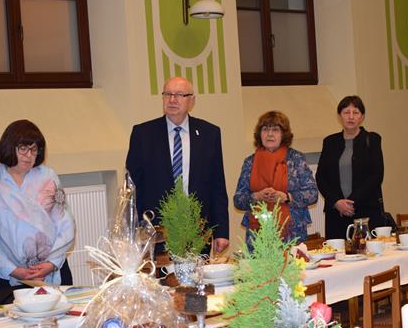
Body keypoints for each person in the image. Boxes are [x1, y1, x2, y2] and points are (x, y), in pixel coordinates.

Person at [126, 76, 229, 253]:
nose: (172, 99)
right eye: (168, 94)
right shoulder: (143, 134)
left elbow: (217, 186)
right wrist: (135, 229)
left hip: (197, 228)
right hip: (156, 229)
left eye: (179, 95)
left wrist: (221, 231)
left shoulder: (209, 133)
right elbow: (132, 186)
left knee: (197, 271)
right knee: (162, 272)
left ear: (191, 101)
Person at [0, 120, 75, 300]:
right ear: (9, 146)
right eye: (23, 148)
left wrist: (50, 264)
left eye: (34, 149)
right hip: (6, 274)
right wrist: (14, 270)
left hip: (50, 269)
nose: (29, 155)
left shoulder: (48, 176)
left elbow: (65, 224)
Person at [233, 111, 318, 246]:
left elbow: (312, 194)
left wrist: (286, 197)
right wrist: (256, 196)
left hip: (292, 231)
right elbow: (238, 200)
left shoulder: (296, 158)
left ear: (283, 134)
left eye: (275, 130)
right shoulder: (250, 162)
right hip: (257, 233)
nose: (270, 134)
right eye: (265, 129)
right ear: (259, 134)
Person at [316, 96, 385, 240]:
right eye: (346, 112)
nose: (351, 116)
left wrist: (351, 202)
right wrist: (337, 202)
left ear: (362, 117)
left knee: (367, 250)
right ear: (339, 116)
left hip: (365, 211)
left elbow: (376, 175)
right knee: (337, 252)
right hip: (336, 212)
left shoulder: (372, 139)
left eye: (356, 112)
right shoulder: (330, 142)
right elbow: (321, 177)